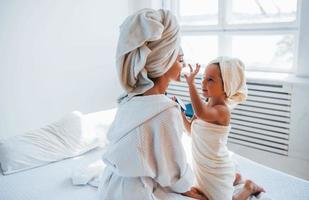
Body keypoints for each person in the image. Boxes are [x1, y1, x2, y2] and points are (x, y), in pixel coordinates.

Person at [97, 8, 206, 200]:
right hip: (136, 192)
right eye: (180, 59)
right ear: (163, 63)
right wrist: (185, 186)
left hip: (110, 185)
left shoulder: (129, 99)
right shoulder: (166, 111)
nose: (183, 64)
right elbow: (172, 165)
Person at [180, 58, 265, 200]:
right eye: (203, 77)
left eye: (210, 79)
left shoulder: (222, 111)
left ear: (226, 86)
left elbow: (201, 113)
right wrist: (180, 113)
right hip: (203, 167)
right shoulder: (205, 105)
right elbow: (191, 131)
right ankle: (234, 178)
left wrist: (191, 85)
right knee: (201, 192)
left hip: (216, 168)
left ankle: (248, 187)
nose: (203, 82)